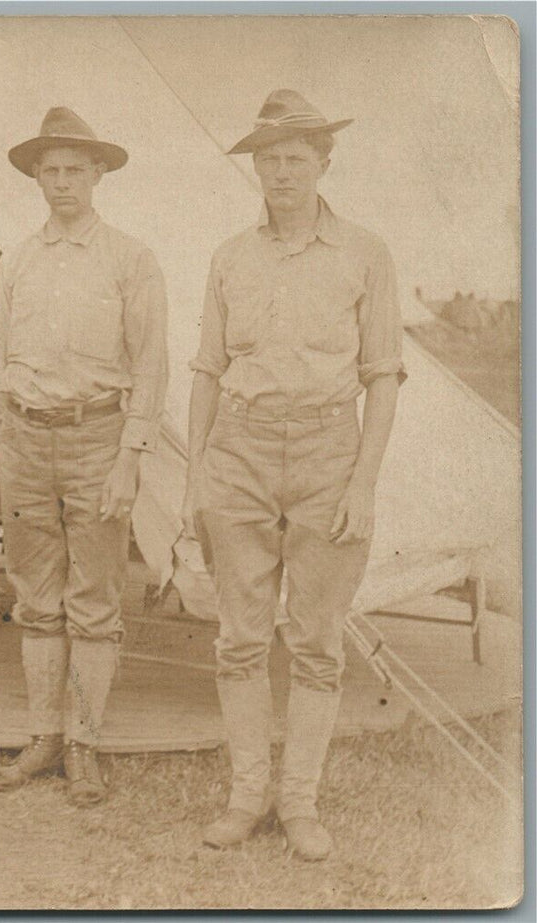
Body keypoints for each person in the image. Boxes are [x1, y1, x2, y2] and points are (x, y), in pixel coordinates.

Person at [183, 90, 403, 861]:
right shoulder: (229, 257)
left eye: (295, 159)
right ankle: (247, 797)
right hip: (237, 452)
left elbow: (381, 375)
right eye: (267, 160)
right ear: (255, 168)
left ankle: (299, 803)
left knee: (315, 641)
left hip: (325, 453)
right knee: (238, 638)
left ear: (322, 163)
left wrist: (362, 484)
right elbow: (207, 372)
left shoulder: (364, 253)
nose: (280, 173)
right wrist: (193, 487)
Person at [0, 107, 168, 805]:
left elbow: (149, 366)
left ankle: (83, 741)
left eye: (74, 171)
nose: (61, 183)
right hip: (25, 439)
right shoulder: (16, 259)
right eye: (49, 171)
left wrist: (129, 456)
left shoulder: (129, 259)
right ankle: (43, 737)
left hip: (96, 439)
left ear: (98, 176)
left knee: (92, 600)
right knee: (35, 598)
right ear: (35, 177)